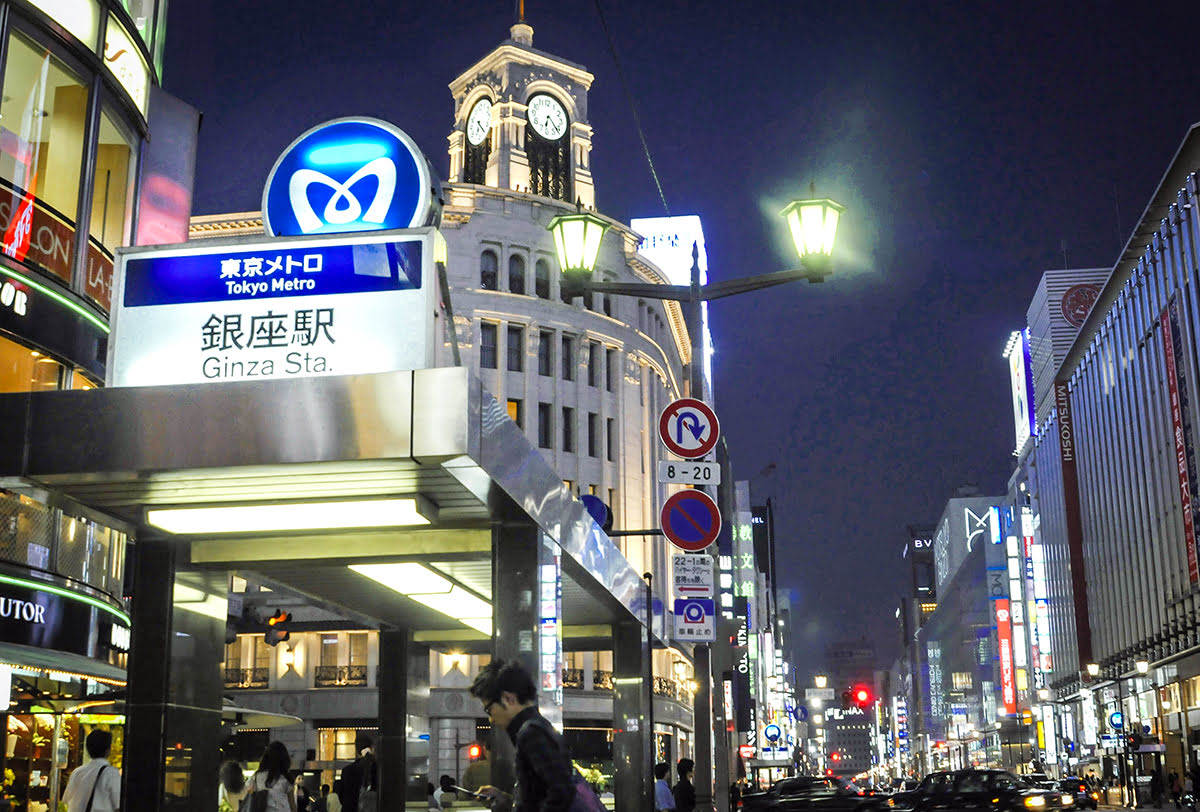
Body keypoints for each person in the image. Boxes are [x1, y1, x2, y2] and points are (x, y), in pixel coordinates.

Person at [468, 658, 577, 812]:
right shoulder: (539, 727)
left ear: (508, 699)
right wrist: (506, 800)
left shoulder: (532, 733)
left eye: (489, 709)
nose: (490, 718)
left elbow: (561, 793)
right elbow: (539, 796)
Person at [62, 730, 121, 812]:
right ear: (108, 749)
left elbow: (66, 800)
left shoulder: (77, 772)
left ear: (87, 749)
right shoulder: (111, 773)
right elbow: (118, 804)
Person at [246, 741, 298, 812]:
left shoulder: (257, 777)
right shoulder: (286, 778)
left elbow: (250, 797)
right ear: (284, 760)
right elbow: (292, 806)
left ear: (265, 758)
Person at [337, 734, 377, 812]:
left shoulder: (347, 771)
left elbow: (342, 797)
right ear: (372, 748)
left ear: (356, 750)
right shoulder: (378, 769)